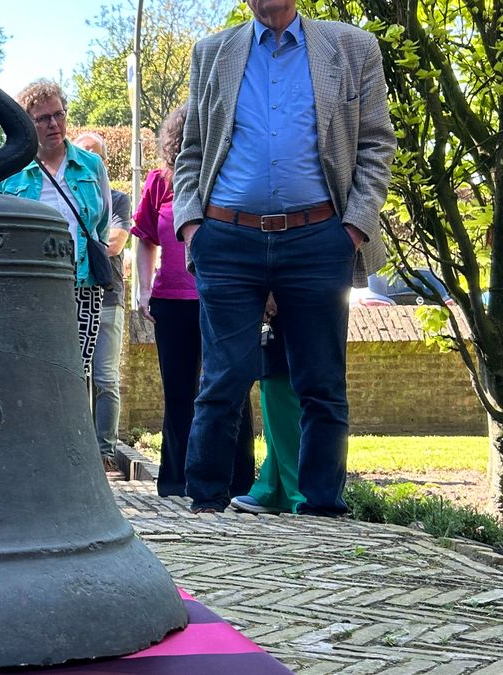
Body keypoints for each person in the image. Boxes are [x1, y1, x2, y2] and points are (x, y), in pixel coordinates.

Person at [173, 0, 395, 514]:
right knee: (222, 378)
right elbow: (192, 149)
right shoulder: (212, 51)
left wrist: (353, 228)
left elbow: (376, 143)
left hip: (319, 237)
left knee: (321, 381)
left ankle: (321, 514)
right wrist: (192, 227)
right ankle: (204, 513)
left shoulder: (352, 46)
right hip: (226, 238)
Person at [132, 106, 255, 499]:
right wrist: (144, 288)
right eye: (187, 141)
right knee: (179, 392)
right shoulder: (158, 184)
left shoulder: (231, 182)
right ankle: (175, 483)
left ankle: (238, 483)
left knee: (230, 388)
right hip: (172, 302)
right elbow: (144, 237)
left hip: (224, 298)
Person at [0, 80, 111, 376]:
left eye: (59, 114)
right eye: (43, 118)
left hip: (82, 283)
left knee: (77, 372)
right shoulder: (10, 171)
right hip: (29, 285)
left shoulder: (91, 165)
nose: (54, 124)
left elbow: (102, 223)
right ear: (27, 123)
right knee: (32, 370)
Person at [72, 132, 131, 467]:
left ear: (102, 162)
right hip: (73, 296)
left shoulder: (118, 199)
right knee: (74, 375)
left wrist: (78, 240)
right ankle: (78, 450)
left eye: (93, 154)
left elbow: (115, 244)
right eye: (81, 154)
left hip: (107, 299)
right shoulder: (64, 194)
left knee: (105, 378)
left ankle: (105, 452)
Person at [232, 295, 306, 514]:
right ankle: (273, 488)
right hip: (278, 301)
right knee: (273, 383)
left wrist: (270, 291)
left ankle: (301, 491)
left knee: (286, 388)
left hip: (295, 293)